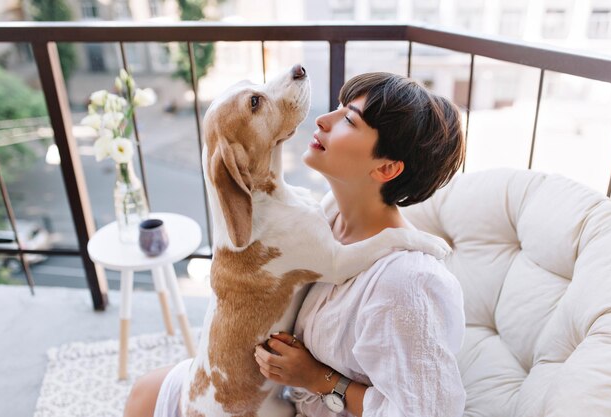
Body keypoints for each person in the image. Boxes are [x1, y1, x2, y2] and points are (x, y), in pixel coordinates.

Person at [124, 72, 466, 417]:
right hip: (276, 393)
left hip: (312, 405)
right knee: (145, 390)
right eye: (338, 107)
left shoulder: (407, 284)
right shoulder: (328, 215)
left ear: (387, 168)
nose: (323, 119)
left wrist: (320, 378)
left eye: (349, 119)